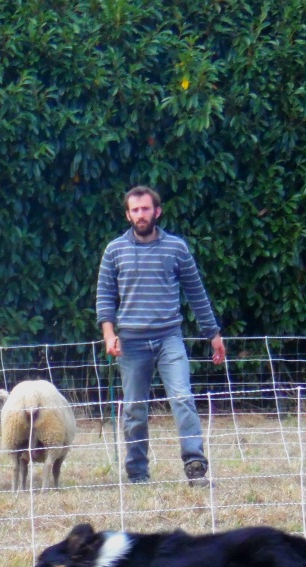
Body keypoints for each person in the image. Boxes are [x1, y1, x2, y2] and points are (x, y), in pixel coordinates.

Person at [96, 185, 226, 486]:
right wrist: (109, 333)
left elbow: (196, 293)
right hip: (131, 342)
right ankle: (138, 474)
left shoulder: (177, 248)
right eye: (135, 210)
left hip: (170, 337)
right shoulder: (114, 250)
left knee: (182, 398)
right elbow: (104, 296)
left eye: (146, 209)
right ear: (128, 215)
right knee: (134, 410)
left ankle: (195, 467)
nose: (141, 215)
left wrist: (213, 334)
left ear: (157, 211)